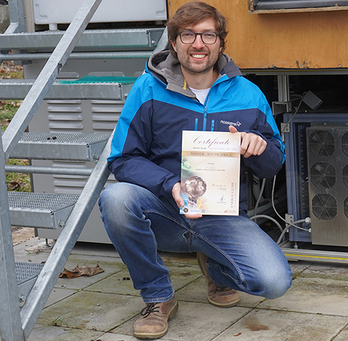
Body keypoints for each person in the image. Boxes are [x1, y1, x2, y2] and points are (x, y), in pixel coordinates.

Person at [98, 1, 292, 339]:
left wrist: (259, 148)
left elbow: (274, 163)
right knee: (115, 198)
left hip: (223, 218)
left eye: (207, 35)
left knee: (274, 283)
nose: (198, 44)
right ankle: (158, 296)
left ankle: (217, 267)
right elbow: (122, 159)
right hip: (166, 210)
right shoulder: (147, 89)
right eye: (188, 35)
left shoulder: (248, 94)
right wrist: (170, 184)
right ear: (173, 43)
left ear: (220, 43)